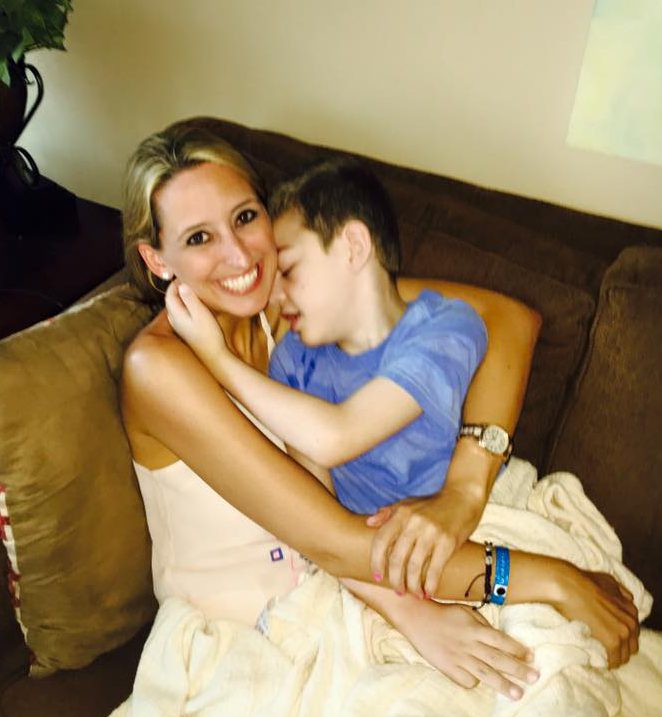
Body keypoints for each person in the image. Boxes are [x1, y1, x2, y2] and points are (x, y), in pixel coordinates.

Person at [120, 118, 638, 701]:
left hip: (358, 579)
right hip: (249, 631)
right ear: (157, 260)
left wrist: (464, 489)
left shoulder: (284, 305)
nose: (238, 254)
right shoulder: (158, 369)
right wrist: (554, 581)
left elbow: (507, 322)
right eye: (198, 238)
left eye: (244, 218)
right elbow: (333, 538)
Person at [166, 156, 499, 602]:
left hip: (466, 532)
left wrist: (218, 359)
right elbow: (319, 512)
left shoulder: (445, 327)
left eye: (287, 271)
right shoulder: (293, 362)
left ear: (354, 247)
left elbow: (337, 436)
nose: (273, 295)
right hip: (372, 560)